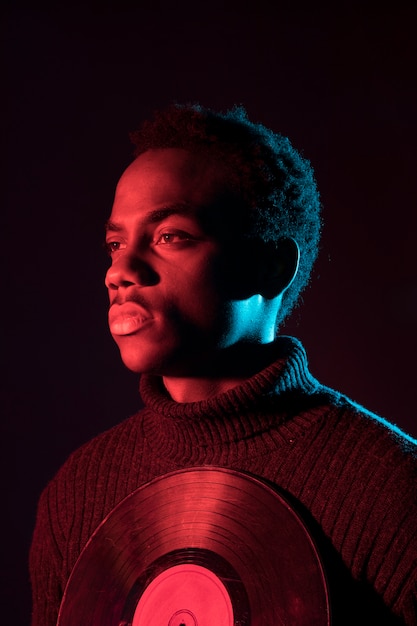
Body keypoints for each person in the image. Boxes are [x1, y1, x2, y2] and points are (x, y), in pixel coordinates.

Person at [29, 103, 417, 625]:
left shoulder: (392, 488)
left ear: (271, 265)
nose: (119, 271)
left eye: (170, 236)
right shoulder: (75, 495)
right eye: (115, 244)